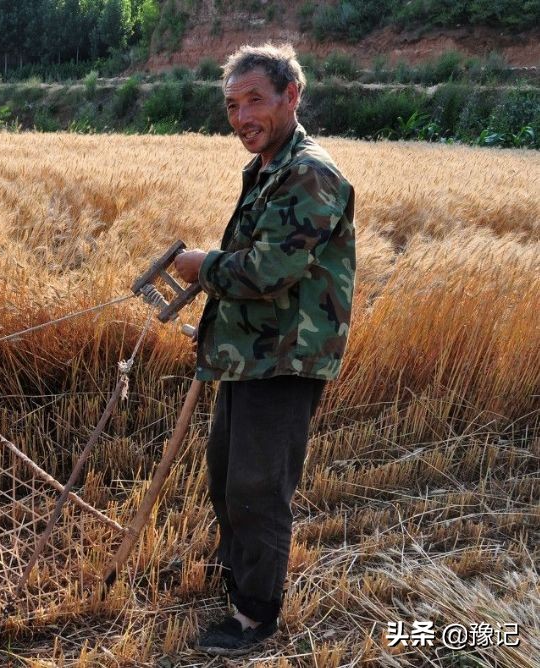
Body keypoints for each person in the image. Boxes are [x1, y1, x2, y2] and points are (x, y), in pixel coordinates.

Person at [172, 42, 356, 656]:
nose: (243, 116)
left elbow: (268, 270)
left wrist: (203, 266)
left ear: (291, 95)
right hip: (249, 354)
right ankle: (238, 581)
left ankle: (255, 616)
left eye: (255, 99)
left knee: (257, 489)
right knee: (228, 478)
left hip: (284, 358)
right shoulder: (269, 168)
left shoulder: (309, 172)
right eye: (232, 106)